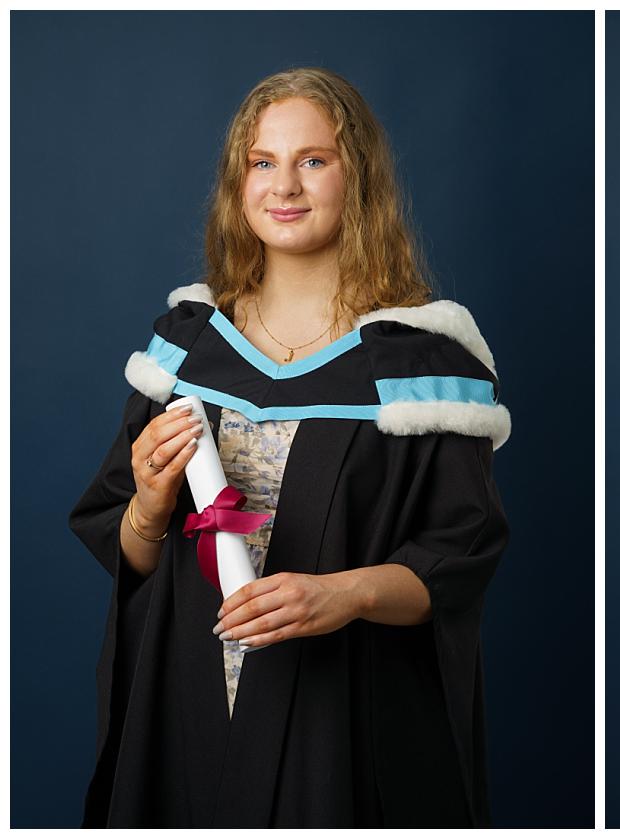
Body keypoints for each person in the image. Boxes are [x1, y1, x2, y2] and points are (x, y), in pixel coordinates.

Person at [69, 67, 510, 827]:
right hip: (187, 697)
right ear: (239, 182)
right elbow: (126, 548)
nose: (286, 186)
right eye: (262, 162)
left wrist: (342, 593)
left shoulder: (421, 367)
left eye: (314, 160)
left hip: (342, 718)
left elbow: (461, 557)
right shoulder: (185, 348)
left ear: (358, 178)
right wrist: (147, 503)